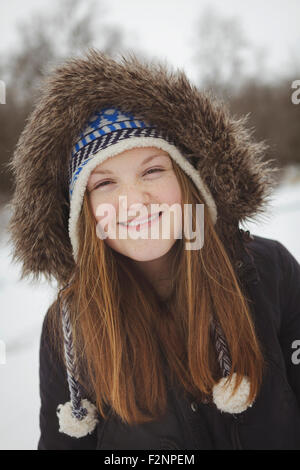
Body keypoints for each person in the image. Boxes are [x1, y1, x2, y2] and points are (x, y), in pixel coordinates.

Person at [7, 49, 300, 450]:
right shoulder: (67, 325)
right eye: (105, 184)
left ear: (187, 181)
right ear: (85, 212)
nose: (134, 201)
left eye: (152, 170)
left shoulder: (268, 271)